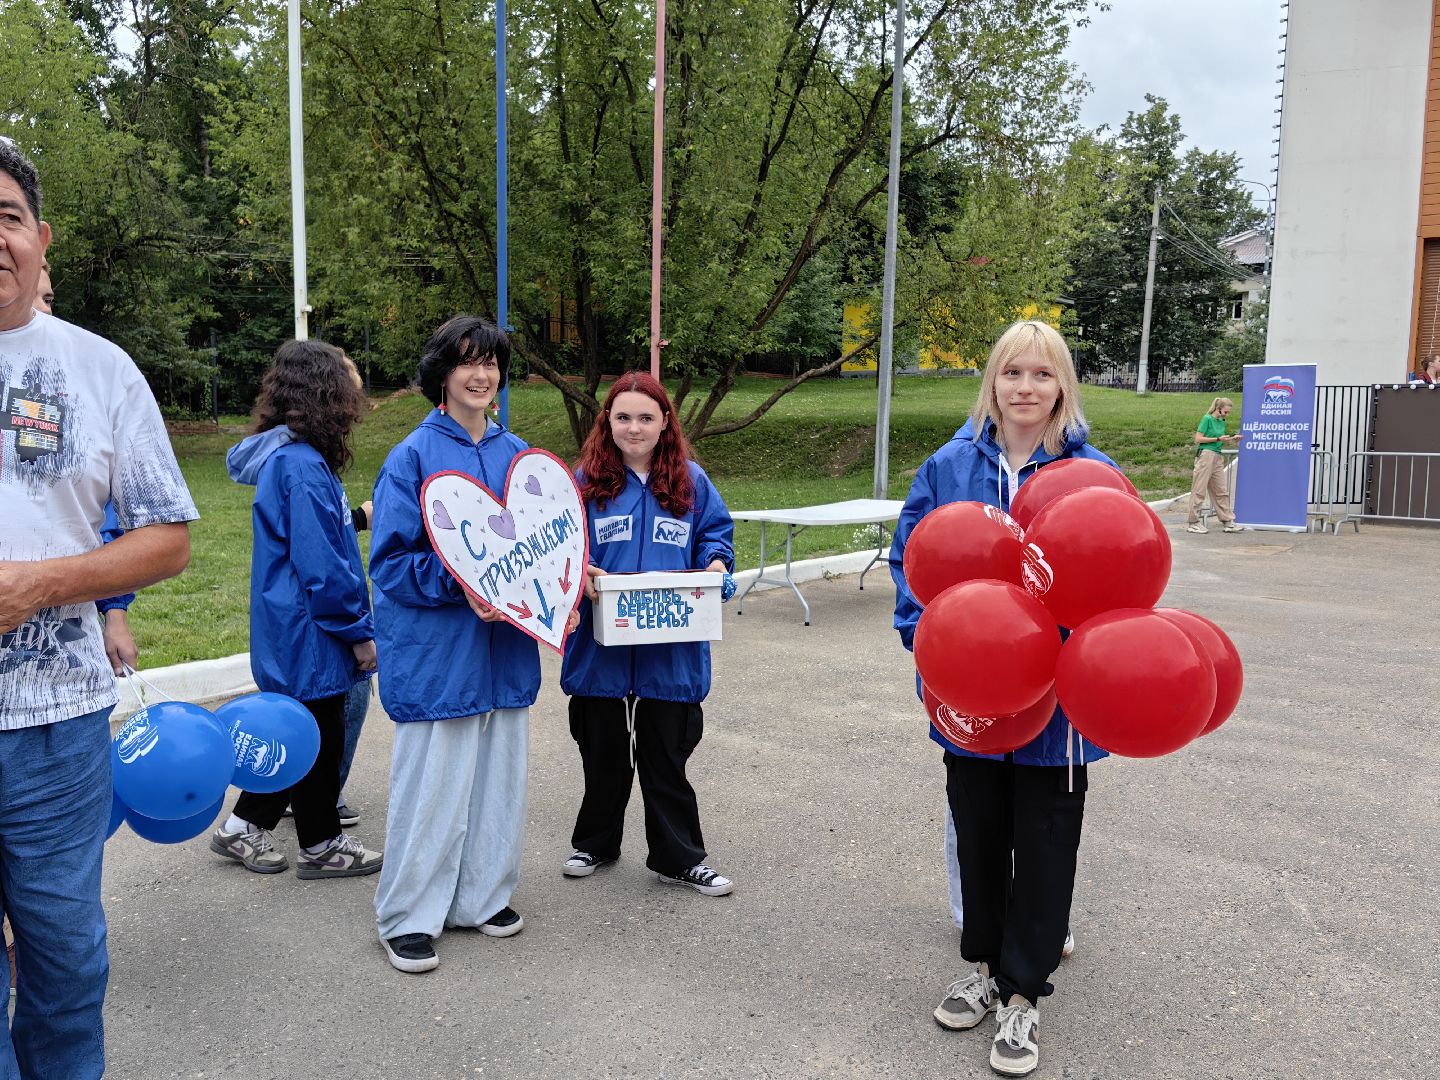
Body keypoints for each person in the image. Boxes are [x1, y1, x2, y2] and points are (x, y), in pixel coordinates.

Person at [0, 137, 196, 1079]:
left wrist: (40, 586)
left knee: (66, 963)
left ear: (42, 238)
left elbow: (169, 537)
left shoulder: (100, 369)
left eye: (5, 217)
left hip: (55, 731)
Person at [890, 320, 1116, 1078]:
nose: (1026, 388)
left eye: (1042, 375)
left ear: (1063, 387)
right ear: (992, 382)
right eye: (1013, 373)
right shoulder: (950, 466)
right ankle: (984, 969)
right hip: (973, 693)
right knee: (979, 833)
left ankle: (1024, 995)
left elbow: (1122, 576)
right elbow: (911, 558)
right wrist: (925, 638)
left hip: (1060, 708)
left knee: (1047, 844)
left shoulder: (1094, 473)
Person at [370, 316, 564, 974]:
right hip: (439, 654)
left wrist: (559, 588)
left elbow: (545, 543)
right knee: (435, 789)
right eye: (467, 363)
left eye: (492, 362)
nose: (482, 375)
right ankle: (408, 916)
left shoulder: (518, 453)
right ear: (441, 373)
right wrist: (462, 588)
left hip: (505, 652)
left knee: (499, 781)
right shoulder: (412, 458)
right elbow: (392, 564)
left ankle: (481, 897)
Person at [209, 339, 383, 880]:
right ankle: (313, 842)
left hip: (293, 624)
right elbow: (324, 566)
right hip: (312, 629)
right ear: (327, 392)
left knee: (306, 733)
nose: (357, 395)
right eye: (349, 382)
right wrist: (358, 632)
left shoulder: (290, 459)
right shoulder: (302, 466)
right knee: (313, 736)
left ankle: (287, 835)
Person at [560, 372, 737, 897]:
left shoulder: (691, 481)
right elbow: (564, 546)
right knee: (603, 753)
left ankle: (678, 857)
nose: (634, 427)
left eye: (645, 417)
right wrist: (584, 572)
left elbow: (716, 537)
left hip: (672, 647)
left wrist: (715, 566)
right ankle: (595, 842)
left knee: (666, 756)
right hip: (600, 647)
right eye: (623, 417)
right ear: (607, 423)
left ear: (664, 424)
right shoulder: (583, 483)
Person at [1186, 396, 1243, 534]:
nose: (1227, 414)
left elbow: (1219, 440)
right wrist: (1218, 438)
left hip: (1217, 455)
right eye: (1226, 412)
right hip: (1206, 455)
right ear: (1218, 409)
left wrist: (1230, 439)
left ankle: (1228, 521)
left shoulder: (1221, 421)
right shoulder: (1207, 419)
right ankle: (1193, 522)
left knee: (1221, 490)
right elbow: (1198, 439)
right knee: (1199, 489)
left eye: (1228, 412)